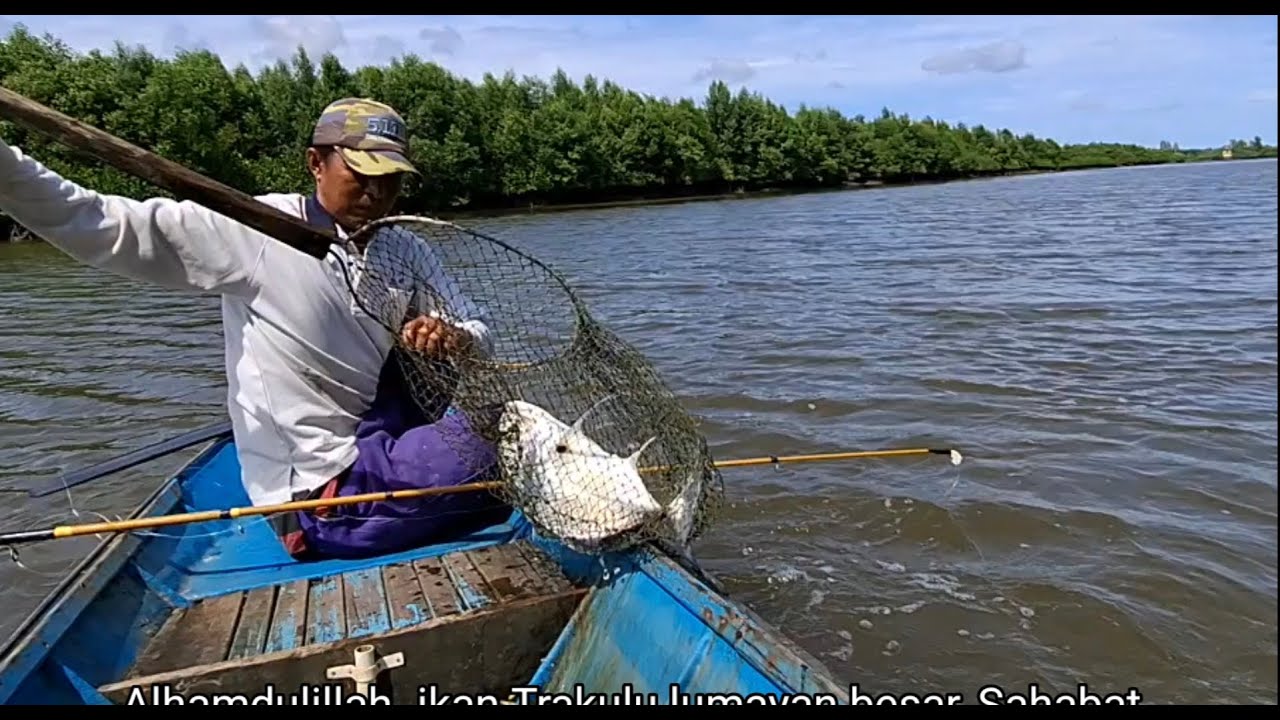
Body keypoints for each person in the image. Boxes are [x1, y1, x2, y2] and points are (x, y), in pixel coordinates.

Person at [0, 97, 510, 560]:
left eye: (391, 177)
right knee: (500, 451)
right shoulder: (257, 229)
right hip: (323, 491)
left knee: (502, 421)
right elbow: (97, 222)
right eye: (361, 172)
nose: (376, 191)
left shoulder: (405, 248)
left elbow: (478, 331)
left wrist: (454, 336)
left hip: (379, 438)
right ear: (317, 163)